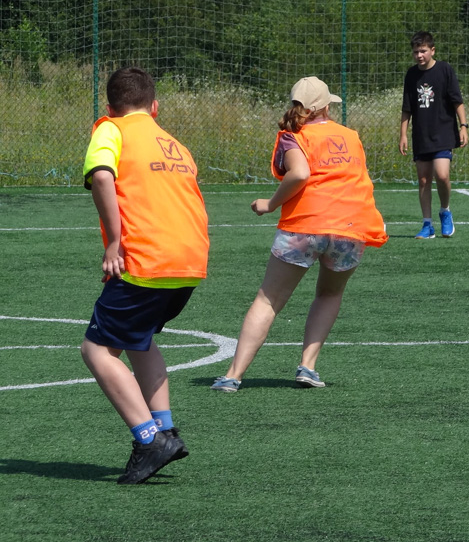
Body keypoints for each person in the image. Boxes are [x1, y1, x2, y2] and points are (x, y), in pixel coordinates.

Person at [211, 77, 387, 392]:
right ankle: (308, 367)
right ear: (324, 106)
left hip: (305, 225)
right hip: (351, 228)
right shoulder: (350, 136)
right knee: (329, 294)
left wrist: (269, 204)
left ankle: (233, 375)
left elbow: (300, 173)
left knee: (268, 300)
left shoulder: (294, 136)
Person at [80, 67, 210, 484]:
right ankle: (166, 427)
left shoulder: (111, 129)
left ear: (110, 107)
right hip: (189, 262)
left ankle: (150, 438)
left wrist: (115, 241)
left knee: (96, 351)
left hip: (146, 261)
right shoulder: (175, 144)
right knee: (139, 339)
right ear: (154, 107)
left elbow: (102, 175)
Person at [399, 31, 468, 239]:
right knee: (422, 180)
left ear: (432, 50)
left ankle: (445, 211)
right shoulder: (411, 75)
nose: (419, 55)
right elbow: (407, 108)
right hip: (421, 135)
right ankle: (427, 224)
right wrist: (403, 134)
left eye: (423, 51)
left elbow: (458, 101)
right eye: (415, 52)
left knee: (442, 175)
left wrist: (464, 125)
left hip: (444, 132)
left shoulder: (445, 70)